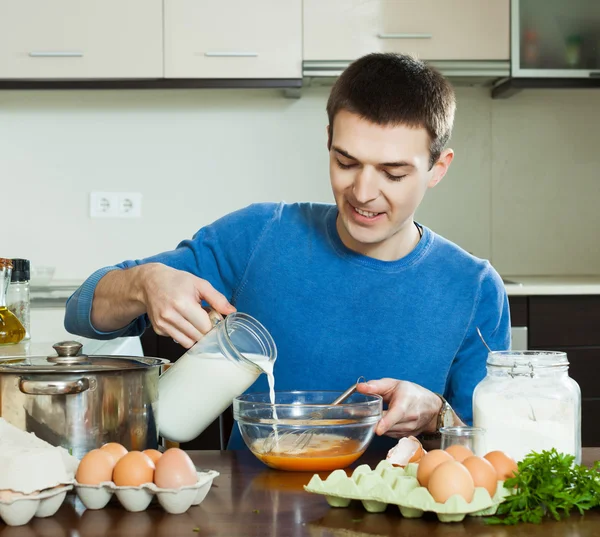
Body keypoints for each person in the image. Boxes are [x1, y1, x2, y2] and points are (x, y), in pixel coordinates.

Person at [64, 53, 510, 452]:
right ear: (328, 141)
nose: (363, 192)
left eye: (393, 173)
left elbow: (490, 448)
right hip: (252, 510)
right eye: (346, 162)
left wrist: (435, 418)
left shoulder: (473, 288)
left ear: (438, 168)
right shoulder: (261, 235)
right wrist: (144, 283)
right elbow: (82, 311)